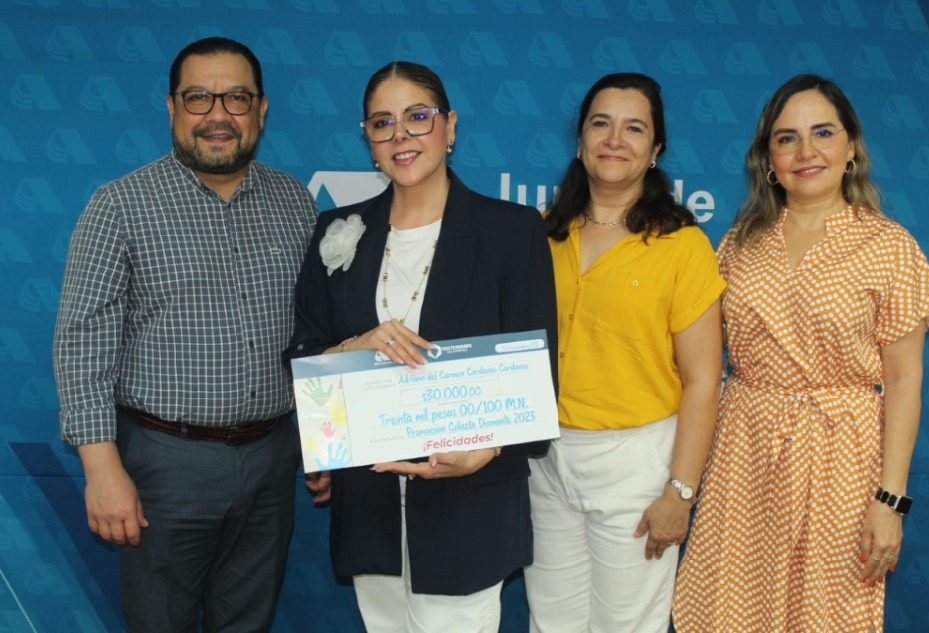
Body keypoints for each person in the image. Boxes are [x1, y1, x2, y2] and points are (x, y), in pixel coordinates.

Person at [52, 37, 317, 631]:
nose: (218, 115)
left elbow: (311, 332)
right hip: (163, 465)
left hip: (273, 460)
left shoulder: (295, 202)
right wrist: (102, 471)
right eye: (199, 97)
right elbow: (81, 345)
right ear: (172, 106)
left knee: (249, 622)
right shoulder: (119, 205)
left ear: (261, 109)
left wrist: (323, 440)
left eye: (236, 98)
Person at [284, 61, 557, 633]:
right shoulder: (337, 229)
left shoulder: (511, 230)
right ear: (367, 137)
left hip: (468, 499)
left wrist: (488, 450)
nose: (401, 135)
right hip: (369, 499)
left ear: (449, 126)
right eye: (382, 123)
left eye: (417, 117)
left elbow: (537, 368)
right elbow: (305, 354)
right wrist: (357, 345)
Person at [672, 74, 929, 633]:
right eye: (787, 138)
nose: (806, 151)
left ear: (851, 147)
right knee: (731, 610)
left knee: (827, 613)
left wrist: (890, 501)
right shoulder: (739, 244)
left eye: (822, 132)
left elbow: (904, 380)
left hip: (842, 459)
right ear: (768, 159)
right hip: (744, 452)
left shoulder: (889, 246)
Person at [522, 73, 725, 632]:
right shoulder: (540, 234)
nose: (615, 139)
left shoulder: (682, 246)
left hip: (637, 463)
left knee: (626, 624)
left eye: (634, 128)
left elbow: (703, 380)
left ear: (656, 149)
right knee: (551, 620)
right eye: (601, 124)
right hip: (546, 459)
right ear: (580, 139)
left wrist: (680, 493)